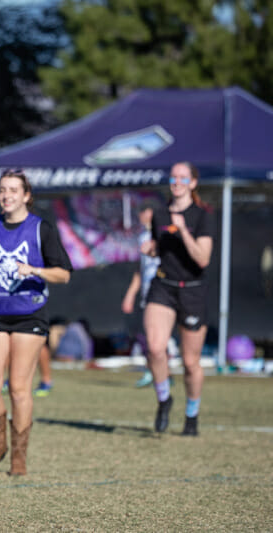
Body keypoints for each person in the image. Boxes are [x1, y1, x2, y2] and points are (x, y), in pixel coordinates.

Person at [0, 169, 72, 476]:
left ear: (26, 195)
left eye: (13, 190)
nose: (6, 195)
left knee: (18, 388)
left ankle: (19, 455)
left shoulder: (42, 229)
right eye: (2, 189)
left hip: (30, 313)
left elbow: (64, 273)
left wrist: (34, 270)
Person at [142, 162, 215, 437]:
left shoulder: (203, 215)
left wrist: (183, 230)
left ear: (193, 183)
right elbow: (157, 247)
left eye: (183, 177)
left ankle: (192, 415)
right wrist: (150, 249)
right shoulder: (159, 213)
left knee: (189, 362)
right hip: (163, 286)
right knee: (155, 348)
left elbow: (203, 259)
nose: (177, 181)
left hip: (193, 290)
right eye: (174, 176)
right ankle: (164, 399)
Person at [121, 201, 163, 388]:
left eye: (145, 211)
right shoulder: (142, 237)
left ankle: (162, 374)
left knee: (158, 337)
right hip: (148, 293)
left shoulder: (164, 233)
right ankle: (153, 371)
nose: (142, 215)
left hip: (164, 292)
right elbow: (141, 270)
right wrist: (130, 294)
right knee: (147, 336)